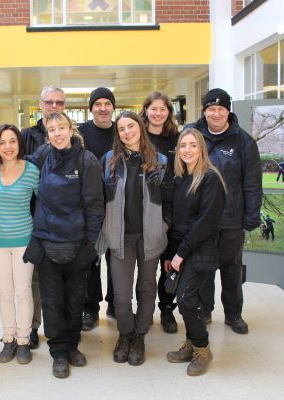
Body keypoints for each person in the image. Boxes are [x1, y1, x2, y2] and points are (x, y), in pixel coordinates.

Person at [23, 111, 104, 378]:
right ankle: (58, 352)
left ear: (71, 129)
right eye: (52, 129)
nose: (57, 133)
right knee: (52, 302)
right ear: (47, 135)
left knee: (74, 301)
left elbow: (95, 206)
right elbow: (17, 164)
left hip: (78, 245)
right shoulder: (44, 156)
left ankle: (72, 346)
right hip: (47, 244)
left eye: (61, 127)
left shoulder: (87, 160)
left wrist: (90, 245)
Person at [189, 88, 262, 334]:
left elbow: (252, 182)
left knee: (231, 269)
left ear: (228, 111)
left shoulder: (243, 141)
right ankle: (205, 311)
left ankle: (233, 314)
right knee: (204, 267)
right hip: (202, 218)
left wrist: (252, 216)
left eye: (221, 109)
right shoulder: (194, 135)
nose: (216, 113)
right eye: (211, 109)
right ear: (205, 111)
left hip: (231, 219)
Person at [101, 111, 171, 366]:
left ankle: (140, 335)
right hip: (120, 238)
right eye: (121, 129)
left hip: (150, 237)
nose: (127, 131)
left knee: (146, 288)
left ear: (140, 127)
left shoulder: (160, 161)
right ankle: (125, 334)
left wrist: (164, 225)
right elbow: (100, 199)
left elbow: (170, 200)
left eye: (131, 126)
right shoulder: (109, 161)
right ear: (117, 134)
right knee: (120, 295)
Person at [164, 128, 226, 376]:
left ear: (202, 149)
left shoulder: (210, 179)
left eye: (192, 145)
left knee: (188, 299)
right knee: (185, 300)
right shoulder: (180, 179)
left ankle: (202, 349)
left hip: (200, 251)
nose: (187, 150)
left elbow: (205, 223)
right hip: (181, 248)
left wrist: (182, 253)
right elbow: (177, 223)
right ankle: (191, 344)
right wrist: (171, 253)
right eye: (182, 146)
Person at [0, 124, 40, 364]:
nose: (7, 147)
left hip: (24, 241)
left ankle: (24, 340)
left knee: (24, 292)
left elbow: (44, 204)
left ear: (19, 144)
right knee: (5, 293)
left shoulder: (32, 171)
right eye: (2, 142)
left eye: (12, 141)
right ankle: (9, 339)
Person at [21, 85, 66, 349]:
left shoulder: (73, 136)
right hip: (33, 216)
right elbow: (11, 160)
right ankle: (33, 326)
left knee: (61, 276)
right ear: (40, 105)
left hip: (63, 220)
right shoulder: (26, 135)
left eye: (59, 103)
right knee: (36, 278)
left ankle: (62, 326)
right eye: (49, 102)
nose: (54, 107)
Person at [138, 91, 180, 334]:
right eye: (153, 108)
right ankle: (143, 310)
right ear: (146, 111)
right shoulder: (138, 137)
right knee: (145, 265)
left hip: (171, 206)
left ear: (168, 112)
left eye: (162, 109)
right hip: (143, 208)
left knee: (169, 262)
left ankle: (166, 309)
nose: (157, 113)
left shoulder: (176, 138)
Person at [78, 87, 116, 330]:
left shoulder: (122, 130)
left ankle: (115, 302)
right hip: (88, 205)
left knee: (117, 257)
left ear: (113, 107)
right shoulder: (80, 133)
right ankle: (90, 308)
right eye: (98, 104)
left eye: (107, 103)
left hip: (117, 204)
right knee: (89, 260)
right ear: (91, 108)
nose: (103, 108)